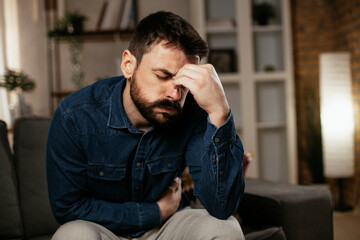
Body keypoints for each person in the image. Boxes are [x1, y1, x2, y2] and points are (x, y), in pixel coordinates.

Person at [47, 11, 245, 240]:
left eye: (183, 83)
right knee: (72, 235)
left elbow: (222, 207)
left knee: (226, 228)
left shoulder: (193, 112)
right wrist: (155, 212)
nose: (174, 94)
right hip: (103, 230)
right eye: (163, 76)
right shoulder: (74, 116)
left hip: (170, 227)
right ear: (128, 64)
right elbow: (68, 209)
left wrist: (220, 112)